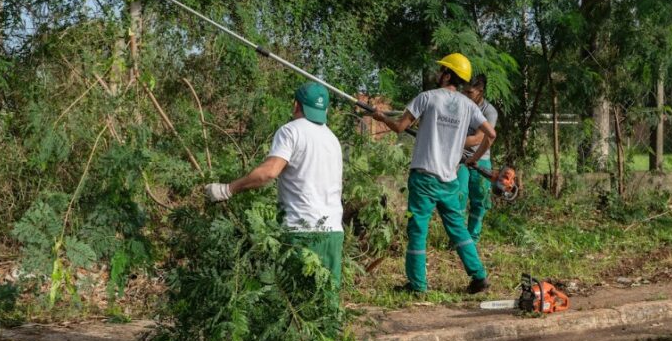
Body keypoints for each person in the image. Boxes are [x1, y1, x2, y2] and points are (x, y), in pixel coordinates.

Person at [371, 53, 496, 294]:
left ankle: (417, 285)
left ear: (447, 75)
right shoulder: (469, 106)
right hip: (449, 178)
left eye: (442, 70)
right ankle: (479, 276)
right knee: (458, 229)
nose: (438, 73)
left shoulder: (427, 98)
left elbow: (399, 126)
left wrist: (380, 117)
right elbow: (490, 135)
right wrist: (472, 158)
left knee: (418, 230)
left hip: (424, 177)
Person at [204, 82, 344, 288]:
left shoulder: (291, 131)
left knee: (294, 303)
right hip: (332, 231)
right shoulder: (332, 139)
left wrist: (227, 189)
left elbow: (269, 172)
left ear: (296, 105)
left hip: (300, 232)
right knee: (325, 304)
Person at [458, 75, 498, 243]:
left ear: (480, 91)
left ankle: (473, 238)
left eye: (469, 92)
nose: (465, 95)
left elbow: (478, 139)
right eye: (464, 91)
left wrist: (448, 140)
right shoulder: (460, 105)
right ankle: (458, 238)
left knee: (479, 200)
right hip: (459, 158)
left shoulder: (489, 112)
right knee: (459, 196)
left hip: (480, 158)